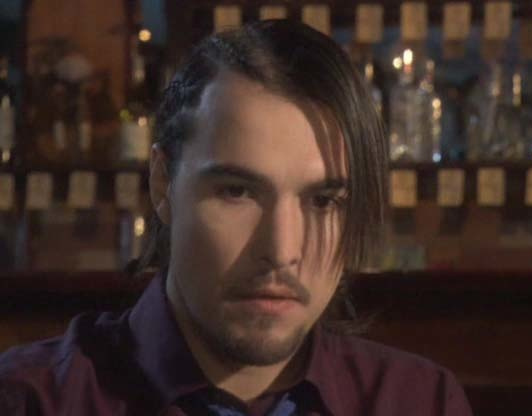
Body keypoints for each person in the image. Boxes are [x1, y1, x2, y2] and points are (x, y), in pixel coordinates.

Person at [0, 20, 473, 415]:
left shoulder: (418, 402)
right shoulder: (31, 401)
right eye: (237, 191)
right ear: (163, 184)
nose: (282, 251)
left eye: (324, 201)